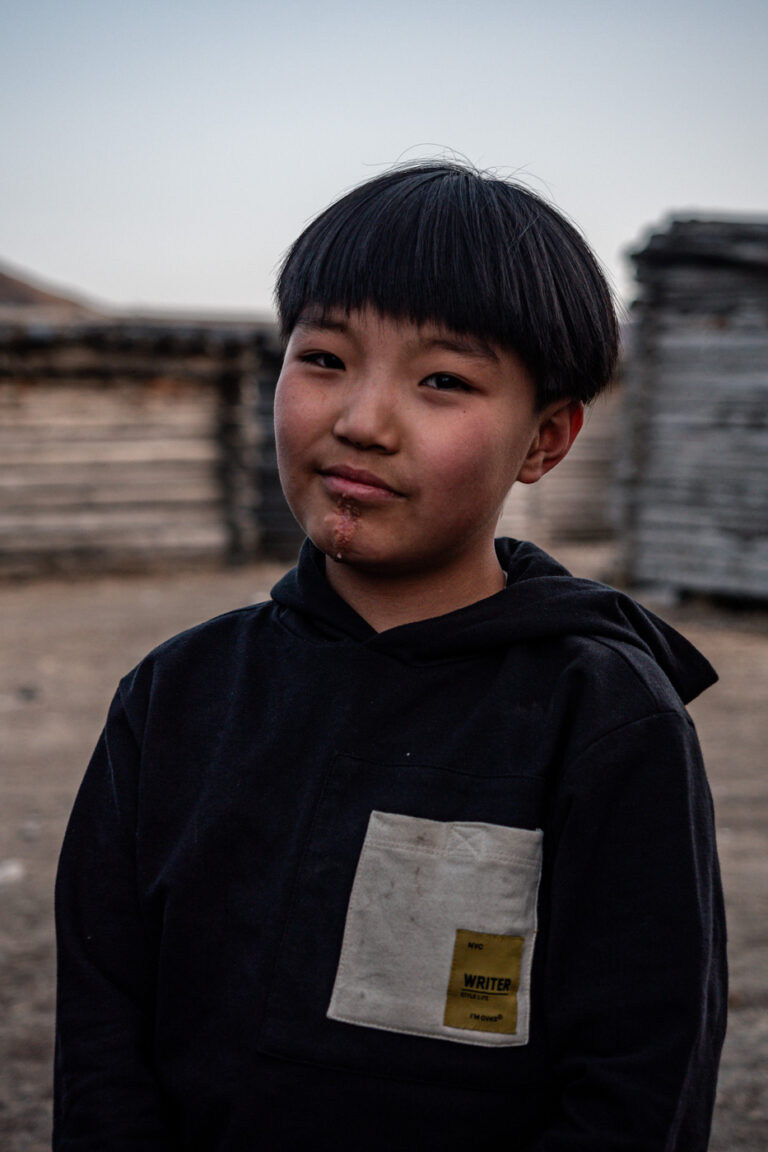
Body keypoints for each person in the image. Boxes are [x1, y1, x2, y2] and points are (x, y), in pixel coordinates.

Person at [54, 161, 727, 1151]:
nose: (361, 421)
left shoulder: (604, 718)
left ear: (544, 440)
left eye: (443, 381)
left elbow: (639, 1081)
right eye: (324, 357)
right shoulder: (176, 696)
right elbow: (102, 1046)